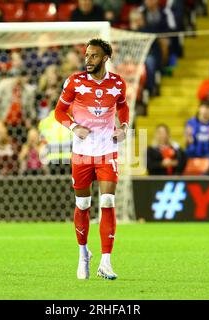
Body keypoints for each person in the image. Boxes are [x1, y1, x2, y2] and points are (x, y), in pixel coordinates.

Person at [54, 39, 129, 280]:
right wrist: (74, 126)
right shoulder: (75, 82)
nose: (88, 60)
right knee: (84, 205)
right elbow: (59, 111)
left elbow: (123, 107)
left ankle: (106, 262)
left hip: (107, 150)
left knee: (107, 200)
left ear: (105, 58)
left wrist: (124, 126)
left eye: (94, 56)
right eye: (86, 55)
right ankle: (83, 253)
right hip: (82, 153)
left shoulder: (117, 83)